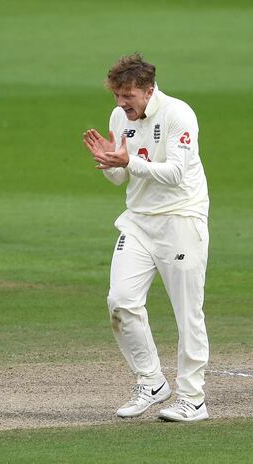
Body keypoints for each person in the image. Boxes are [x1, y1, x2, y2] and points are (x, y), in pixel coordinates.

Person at [82, 53, 210, 422]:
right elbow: (122, 178)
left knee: (188, 314)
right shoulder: (119, 116)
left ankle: (193, 399)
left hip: (180, 220)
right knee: (120, 301)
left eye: (128, 97)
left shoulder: (178, 114)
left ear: (148, 90)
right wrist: (110, 162)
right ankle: (151, 381)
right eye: (116, 97)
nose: (121, 105)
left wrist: (127, 162)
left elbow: (175, 173)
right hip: (138, 222)